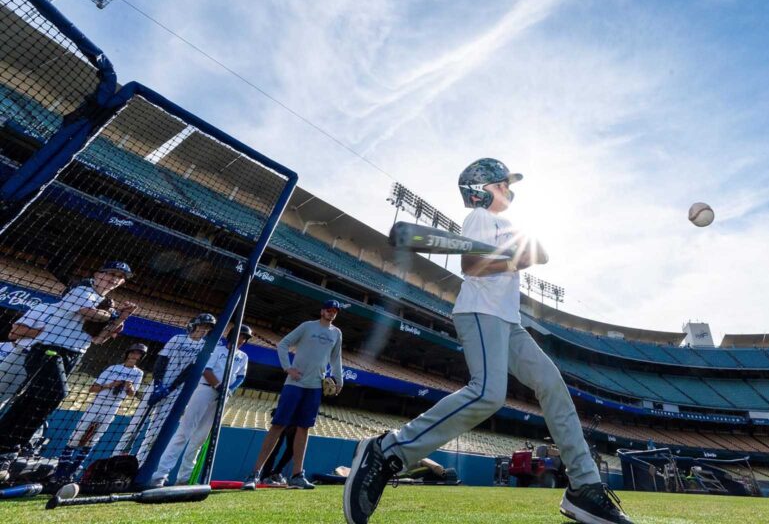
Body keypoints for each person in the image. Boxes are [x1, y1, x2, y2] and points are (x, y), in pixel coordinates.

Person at [343, 159, 633, 524]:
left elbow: (526, 254)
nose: (509, 188)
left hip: (508, 321)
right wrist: (518, 261)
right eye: (502, 183)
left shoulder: (506, 225)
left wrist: (525, 254)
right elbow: (472, 266)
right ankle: (388, 451)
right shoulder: (482, 218)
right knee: (487, 393)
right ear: (482, 190)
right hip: (481, 312)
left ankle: (584, 487)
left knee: (552, 385)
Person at [0, 261, 136, 466]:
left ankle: (9, 446)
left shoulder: (105, 303)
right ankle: (9, 444)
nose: (115, 279)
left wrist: (121, 317)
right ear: (98, 274)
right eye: (111, 273)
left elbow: (99, 339)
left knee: (36, 397)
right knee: (56, 393)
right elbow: (87, 312)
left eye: (120, 277)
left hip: (72, 355)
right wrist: (113, 314)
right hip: (49, 349)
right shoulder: (83, 290)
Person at [241, 300, 344, 491]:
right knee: (278, 425)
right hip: (294, 384)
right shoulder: (307, 326)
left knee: (304, 429)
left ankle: (297, 475)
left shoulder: (336, 333)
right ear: (322, 311)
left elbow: (336, 358)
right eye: (329, 310)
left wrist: (339, 380)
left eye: (335, 311)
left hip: (315, 387)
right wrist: (288, 368)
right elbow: (283, 344)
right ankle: (254, 473)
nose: (331, 313)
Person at [148, 325, 251, 487]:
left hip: (222, 396)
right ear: (232, 335)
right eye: (240, 336)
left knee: (200, 438)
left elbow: (240, 376)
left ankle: (184, 479)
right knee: (184, 433)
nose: (242, 340)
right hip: (205, 390)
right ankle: (160, 475)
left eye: (245, 338)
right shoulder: (217, 350)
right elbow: (207, 370)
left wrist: (229, 389)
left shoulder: (243, 356)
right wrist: (219, 387)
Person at [118, 312, 215, 465]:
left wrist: (169, 389)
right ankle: (116, 458)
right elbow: (161, 360)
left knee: (154, 432)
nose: (204, 329)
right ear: (195, 324)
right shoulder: (177, 339)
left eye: (208, 327)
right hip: (157, 385)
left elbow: (189, 370)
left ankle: (140, 464)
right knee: (134, 424)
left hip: (174, 391)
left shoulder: (204, 346)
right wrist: (158, 384)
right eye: (203, 325)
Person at [48, 343, 147, 487]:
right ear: (128, 353)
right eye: (133, 352)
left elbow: (132, 394)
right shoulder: (113, 368)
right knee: (77, 436)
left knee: (93, 440)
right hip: (97, 404)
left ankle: (72, 472)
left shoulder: (138, 373)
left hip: (113, 407)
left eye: (138, 354)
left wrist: (129, 387)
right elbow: (92, 388)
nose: (135, 355)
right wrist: (110, 385)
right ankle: (60, 472)